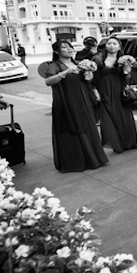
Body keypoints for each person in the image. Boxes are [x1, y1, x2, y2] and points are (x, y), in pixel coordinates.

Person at [44, 40, 108, 173]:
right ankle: (76, 161)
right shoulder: (55, 65)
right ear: (56, 51)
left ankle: (93, 158)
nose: (69, 49)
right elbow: (48, 81)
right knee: (72, 127)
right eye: (64, 47)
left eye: (70, 47)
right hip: (67, 101)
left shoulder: (77, 63)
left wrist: (89, 76)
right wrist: (65, 72)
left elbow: (86, 82)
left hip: (83, 99)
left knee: (88, 126)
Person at [93, 37, 137, 153]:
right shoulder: (98, 59)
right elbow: (93, 78)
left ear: (119, 47)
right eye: (109, 43)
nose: (111, 46)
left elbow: (127, 79)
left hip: (119, 91)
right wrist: (94, 90)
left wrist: (126, 70)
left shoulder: (124, 59)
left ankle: (128, 142)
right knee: (108, 119)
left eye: (114, 43)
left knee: (123, 117)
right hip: (105, 91)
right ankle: (116, 144)